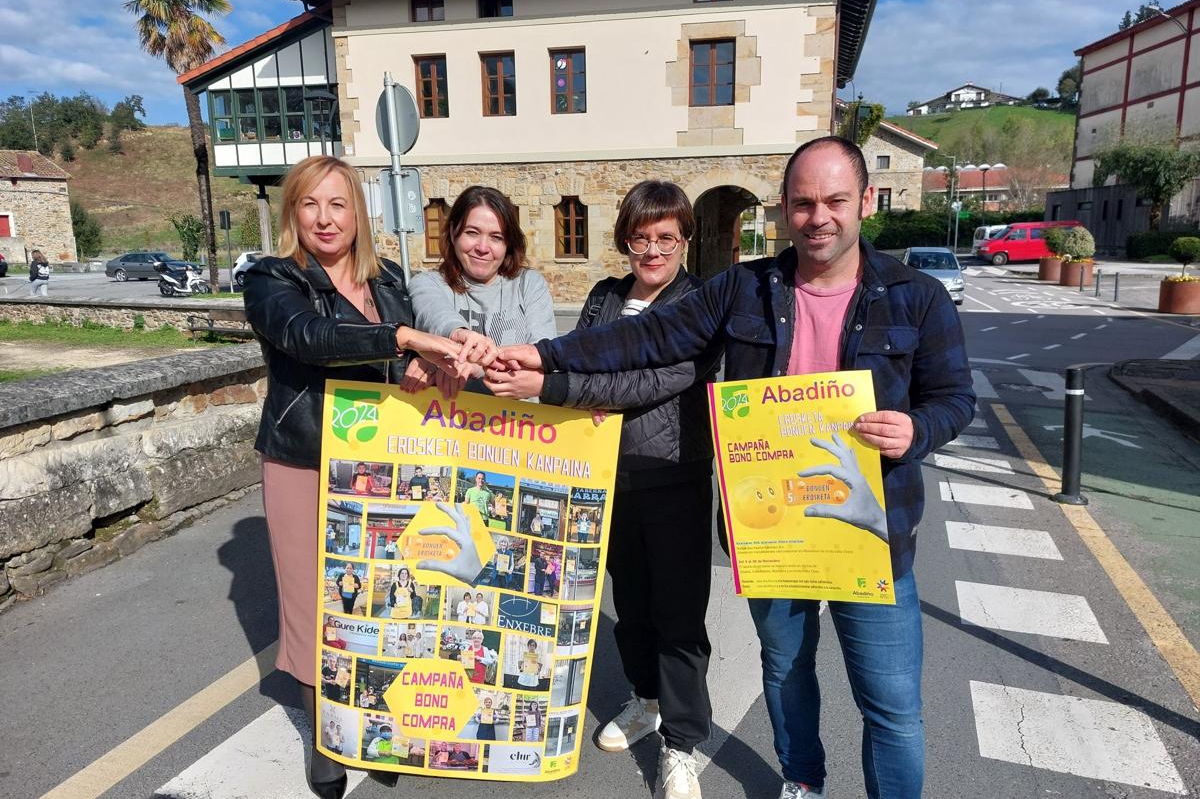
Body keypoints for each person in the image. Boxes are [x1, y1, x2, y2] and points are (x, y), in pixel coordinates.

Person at [490, 138, 975, 799]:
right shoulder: (745, 287)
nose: (819, 217)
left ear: (865, 201)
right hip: (774, 529)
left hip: (871, 533)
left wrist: (918, 428)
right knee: (785, 671)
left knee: (890, 706)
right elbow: (647, 335)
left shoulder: (915, 297)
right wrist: (543, 357)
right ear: (783, 210)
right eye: (803, 203)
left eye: (835, 200)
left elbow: (955, 398)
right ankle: (802, 783)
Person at [244, 154, 482, 799]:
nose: (325, 218)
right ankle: (326, 736)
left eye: (338, 204)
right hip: (305, 459)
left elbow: (408, 358)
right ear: (293, 212)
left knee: (381, 596)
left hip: (384, 464)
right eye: (310, 204)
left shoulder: (390, 279)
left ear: (359, 214)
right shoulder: (272, 279)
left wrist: (423, 366)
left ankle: (376, 725)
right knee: (310, 599)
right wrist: (402, 340)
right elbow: (311, 338)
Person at [486, 179, 720, 799]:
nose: (652, 250)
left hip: (675, 474)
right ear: (624, 241)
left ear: (684, 240)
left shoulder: (699, 302)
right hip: (601, 474)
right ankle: (647, 701)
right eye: (640, 238)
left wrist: (550, 389)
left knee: (678, 614)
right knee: (630, 606)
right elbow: (575, 359)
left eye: (666, 237)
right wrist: (529, 370)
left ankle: (683, 745)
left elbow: (651, 382)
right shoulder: (604, 297)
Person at [404, 185, 556, 397]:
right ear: (453, 233)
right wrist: (458, 336)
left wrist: (476, 366)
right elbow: (436, 315)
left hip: (521, 425)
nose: (483, 247)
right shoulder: (427, 283)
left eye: (496, 237)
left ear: (508, 244)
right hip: (451, 421)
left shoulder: (529, 284)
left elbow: (542, 355)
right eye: (472, 233)